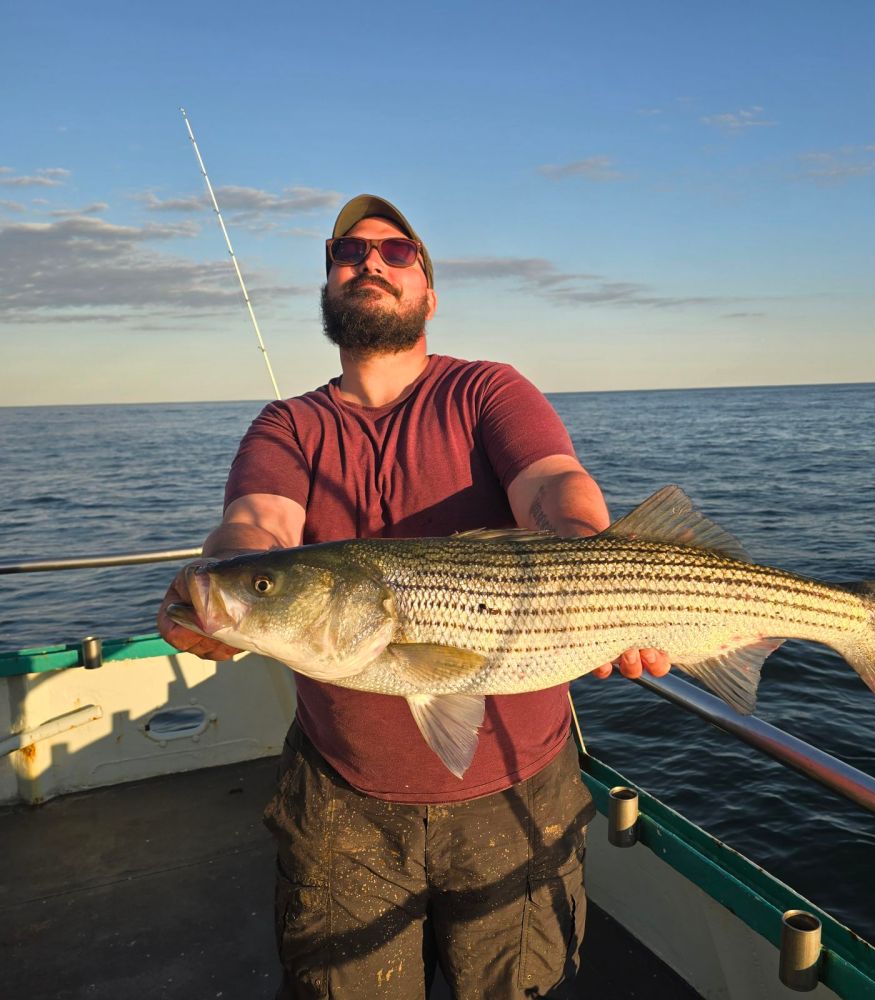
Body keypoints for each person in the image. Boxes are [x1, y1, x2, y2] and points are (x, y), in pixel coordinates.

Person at [158, 194, 670, 999]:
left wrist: (591, 560)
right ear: (328, 285)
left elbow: (554, 483)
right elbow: (256, 525)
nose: (370, 262)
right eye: (348, 252)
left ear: (429, 293)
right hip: (340, 800)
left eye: (397, 253)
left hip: (519, 788)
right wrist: (227, 579)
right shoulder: (288, 426)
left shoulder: (488, 391)